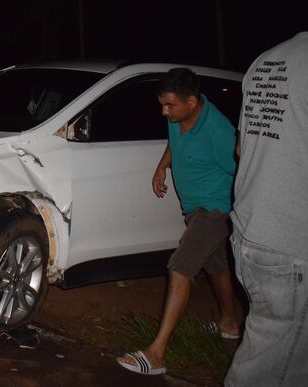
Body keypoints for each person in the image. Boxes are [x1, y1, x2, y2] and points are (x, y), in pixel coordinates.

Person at [118, 68, 238, 376]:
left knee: (179, 268)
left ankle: (156, 353)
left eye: (170, 105)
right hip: (193, 209)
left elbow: (241, 169)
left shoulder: (218, 131)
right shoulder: (178, 118)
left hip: (214, 210)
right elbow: (175, 141)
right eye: (161, 104)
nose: (164, 111)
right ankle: (230, 323)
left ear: (192, 101)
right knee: (217, 267)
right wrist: (161, 168)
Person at [224, 34, 308, 387]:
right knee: (270, 369)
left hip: (249, 233)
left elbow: (243, 147)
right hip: (290, 242)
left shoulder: (267, 59)